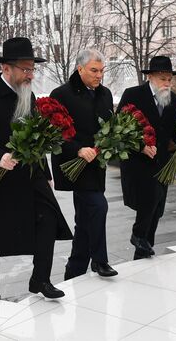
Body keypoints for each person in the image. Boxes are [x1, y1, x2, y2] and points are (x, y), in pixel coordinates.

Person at [0, 37, 73, 306]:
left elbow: (37, 137)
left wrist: (45, 171)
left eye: (32, 69)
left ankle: (41, 279)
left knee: (47, 219)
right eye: (25, 69)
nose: (30, 75)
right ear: (6, 68)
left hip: (28, 176)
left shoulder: (28, 95)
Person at [50, 49, 118, 280]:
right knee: (98, 207)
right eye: (94, 71)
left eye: (102, 71)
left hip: (96, 164)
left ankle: (74, 270)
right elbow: (54, 133)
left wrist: (110, 143)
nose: (99, 76)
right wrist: (78, 148)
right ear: (80, 69)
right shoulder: (61, 94)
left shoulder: (106, 94)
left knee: (85, 219)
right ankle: (100, 261)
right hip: (73, 164)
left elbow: (110, 126)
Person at [117, 56, 176, 260]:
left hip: (161, 160)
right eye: (162, 79)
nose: (167, 83)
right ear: (150, 77)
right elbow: (119, 127)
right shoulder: (133, 95)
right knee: (151, 196)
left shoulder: (173, 100)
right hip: (137, 160)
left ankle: (143, 250)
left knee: (157, 208)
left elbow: (174, 130)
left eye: (169, 79)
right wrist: (141, 146)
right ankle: (138, 234)